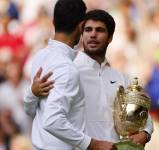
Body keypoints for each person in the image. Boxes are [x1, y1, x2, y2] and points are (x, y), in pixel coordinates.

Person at [25, 9, 153, 148]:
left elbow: (142, 112)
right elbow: (37, 111)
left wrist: (146, 132)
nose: (93, 34)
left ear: (110, 38)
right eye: (88, 30)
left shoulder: (121, 78)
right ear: (81, 33)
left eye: (99, 30)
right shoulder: (68, 70)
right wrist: (32, 93)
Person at [24, 1, 114, 150]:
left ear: (53, 22)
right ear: (81, 26)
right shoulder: (67, 69)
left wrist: (32, 93)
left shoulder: (39, 57)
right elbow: (52, 120)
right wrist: (93, 144)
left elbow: (29, 110)